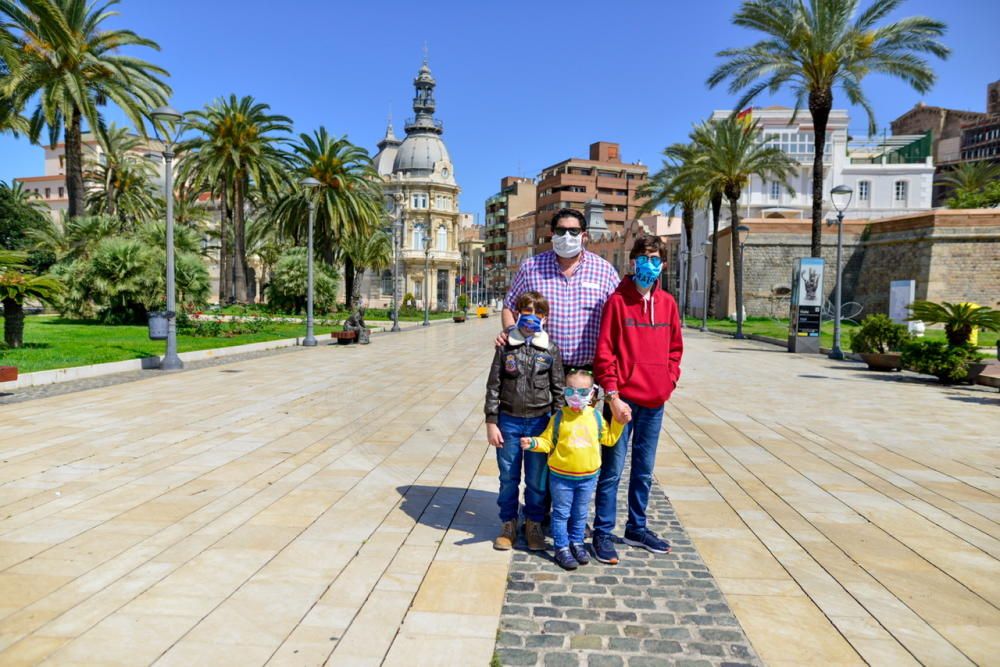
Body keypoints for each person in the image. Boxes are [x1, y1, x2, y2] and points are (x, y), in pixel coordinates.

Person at [591, 234, 683, 564]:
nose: (650, 263)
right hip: (621, 403)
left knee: (643, 471)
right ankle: (602, 532)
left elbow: (675, 349)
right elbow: (605, 354)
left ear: (664, 264)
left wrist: (667, 381)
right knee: (612, 471)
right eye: (645, 257)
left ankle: (637, 527)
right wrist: (613, 396)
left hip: (654, 402)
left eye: (656, 258)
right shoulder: (617, 302)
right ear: (633, 262)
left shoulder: (669, 304)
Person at [520, 369, 626, 570]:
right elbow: (547, 441)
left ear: (592, 394)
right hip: (561, 478)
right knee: (561, 513)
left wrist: (619, 424)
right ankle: (561, 547)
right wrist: (533, 443)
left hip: (588, 478)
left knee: (580, 513)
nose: (577, 397)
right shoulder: (559, 418)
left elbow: (609, 439)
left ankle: (576, 543)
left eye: (583, 392)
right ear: (564, 392)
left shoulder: (595, 417)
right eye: (571, 392)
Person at [485, 291, 565, 551]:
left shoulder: (550, 349)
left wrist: (556, 427)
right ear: (517, 314)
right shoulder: (505, 346)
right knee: (508, 477)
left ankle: (533, 524)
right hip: (509, 421)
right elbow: (494, 386)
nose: (530, 318)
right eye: (525, 312)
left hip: (540, 424)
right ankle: (508, 523)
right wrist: (491, 421)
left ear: (545, 317)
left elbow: (559, 391)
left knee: (536, 480)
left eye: (536, 313)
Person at [498, 208, 621, 372]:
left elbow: (619, 314)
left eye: (574, 231)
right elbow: (509, 306)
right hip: (540, 370)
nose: (567, 236)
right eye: (561, 231)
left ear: (584, 236)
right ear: (552, 234)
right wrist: (511, 333)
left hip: (587, 372)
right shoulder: (531, 267)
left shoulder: (604, 270)